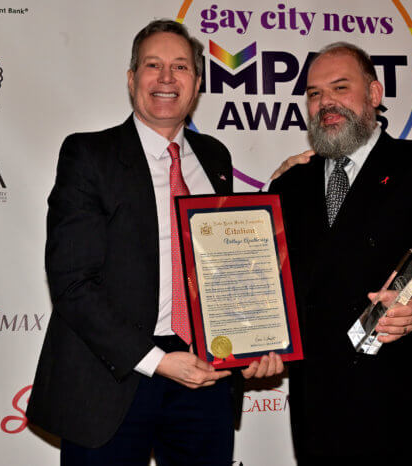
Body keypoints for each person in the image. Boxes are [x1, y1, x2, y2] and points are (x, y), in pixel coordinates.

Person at [26, 19, 282, 465]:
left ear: (197, 84)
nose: (166, 78)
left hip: (206, 373)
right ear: (132, 79)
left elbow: (227, 262)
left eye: (180, 67)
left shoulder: (215, 158)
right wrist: (157, 360)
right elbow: (71, 282)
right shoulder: (89, 155)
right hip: (112, 376)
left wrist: (253, 342)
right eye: (153, 65)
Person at [269, 42, 412, 465]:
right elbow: (275, 290)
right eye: (315, 93)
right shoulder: (288, 187)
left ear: (374, 94)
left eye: (340, 87)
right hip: (321, 414)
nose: (326, 103)